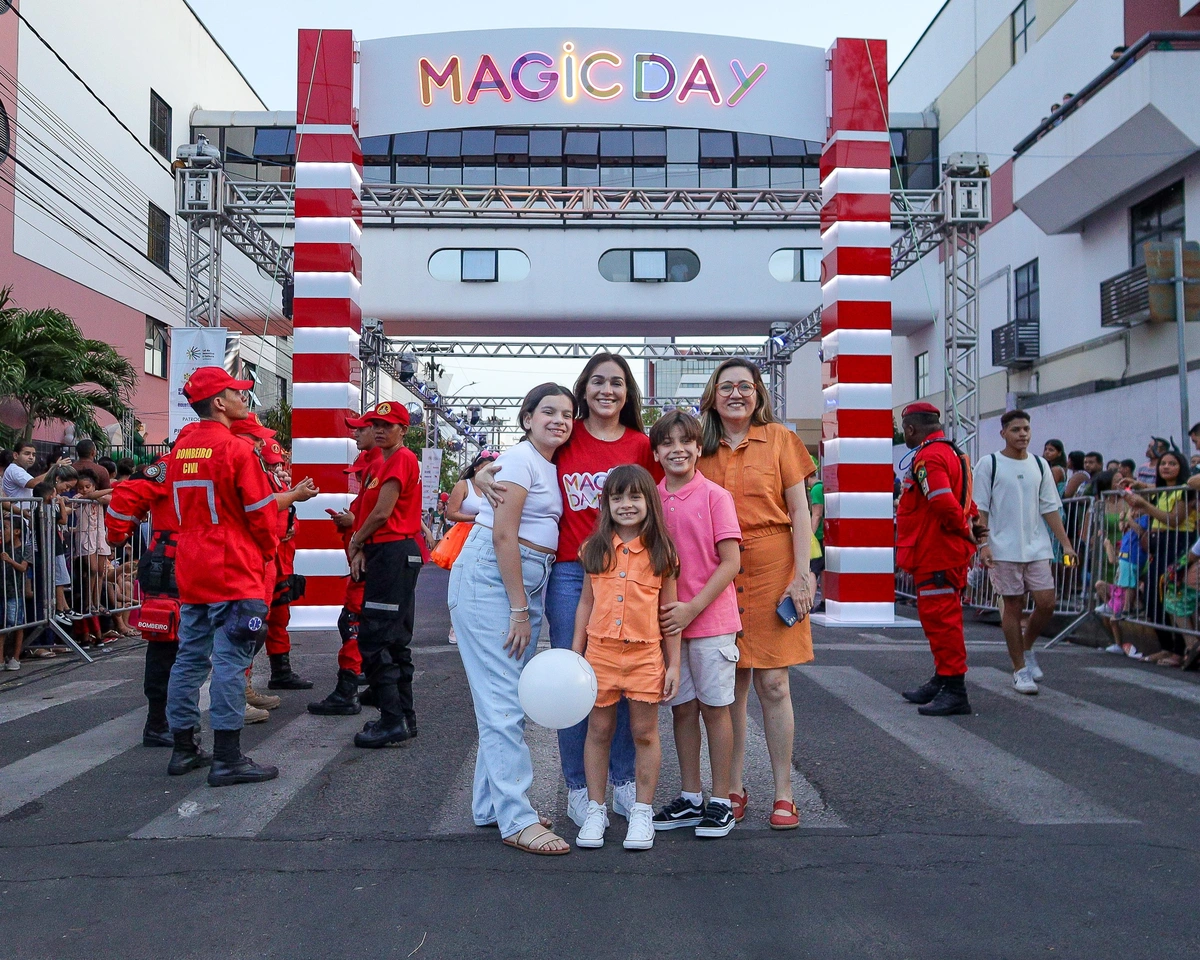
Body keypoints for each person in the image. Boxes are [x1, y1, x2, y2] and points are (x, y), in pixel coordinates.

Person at [474, 353, 660, 829]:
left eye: (617, 383)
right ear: (583, 389)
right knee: (577, 678)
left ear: (628, 392)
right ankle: (578, 786)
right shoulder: (567, 432)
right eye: (597, 382)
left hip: (631, 576)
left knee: (622, 680)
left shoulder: (641, 444)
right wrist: (478, 471)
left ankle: (619, 781)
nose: (607, 391)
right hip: (571, 575)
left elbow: (668, 493)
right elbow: (514, 458)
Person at [448, 383, 575, 855]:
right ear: (526, 418)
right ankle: (516, 818)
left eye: (566, 413)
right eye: (548, 412)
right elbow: (504, 534)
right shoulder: (522, 459)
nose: (558, 420)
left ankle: (492, 805)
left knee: (503, 699)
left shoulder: (541, 461)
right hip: (494, 582)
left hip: (519, 580)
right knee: (504, 702)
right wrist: (520, 607)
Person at [696, 359, 815, 830]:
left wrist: (802, 575)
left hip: (773, 566)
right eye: (726, 387)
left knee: (774, 683)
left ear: (759, 393)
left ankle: (784, 792)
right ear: (713, 394)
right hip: (718, 570)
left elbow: (800, 510)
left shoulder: (781, 439)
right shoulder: (698, 444)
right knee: (731, 688)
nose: (737, 394)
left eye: (746, 386)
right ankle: (732, 786)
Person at [164, 366, 281, 787]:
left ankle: (183, 748)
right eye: (237, 392)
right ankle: (228, 758)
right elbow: (261, 513)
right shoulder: (235, 449)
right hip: (233, 568)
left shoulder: (179, 449)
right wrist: (268, 553)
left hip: (192, 567)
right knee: (231, 662)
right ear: (219, 402)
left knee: (189, 659)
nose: (243, 398)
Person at [572, 465, 681, 851]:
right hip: (599, 654)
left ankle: (642, 812)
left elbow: (670, 613)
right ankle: (596, 810)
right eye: (617, 497)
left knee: (644, 733)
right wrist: (575, 654)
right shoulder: (594, 548)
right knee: (598, 732)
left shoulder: (662, 552)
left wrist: (674, 664)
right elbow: (586, 601)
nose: (626, 504)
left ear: (649, 501)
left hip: (646, 656)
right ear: (606, 504)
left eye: (635, 496)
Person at [647, 412, 742, 839]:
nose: (677, 449)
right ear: (656, 453)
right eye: (667, 443)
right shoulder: (652, 498)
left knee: (715, 709)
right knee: (681, 709)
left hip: (712, 621)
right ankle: (690, 795)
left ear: (698, 447)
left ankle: (721, 799)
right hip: (668, 625)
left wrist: (692, 608)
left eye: (685, 441)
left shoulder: (715, 496)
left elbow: (731, 562)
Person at [975, 410, 1077, 695]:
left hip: (1037, 547)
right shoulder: (989, 464)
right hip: (1002, 548)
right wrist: (982, 544)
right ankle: (1019, 669)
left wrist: (1065, 544)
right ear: (1003, 433)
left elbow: (1050, 508)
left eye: (1027, 429)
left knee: (1047, 602)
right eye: (1016, 429)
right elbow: (980, 508)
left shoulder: (1041, 465)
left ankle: (1028, 647)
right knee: (1013, 605)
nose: (1023, 434)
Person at [346, 401, 424, 748]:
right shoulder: (384, 462)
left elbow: (381, 512)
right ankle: (403, 717)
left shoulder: (401, 459)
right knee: (391, 640)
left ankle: (393, 719)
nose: (379, 430)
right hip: (386, 552)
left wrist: (355, 540)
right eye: (375, 424)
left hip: (393, 553)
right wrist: (363, 546)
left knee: (376, 638)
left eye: (387, 425)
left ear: (403, 430)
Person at [896, 402, 980, 716]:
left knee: (943, 623)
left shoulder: (929, 456)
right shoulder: (952, 452)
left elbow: (943, 502)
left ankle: (955, 690)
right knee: (939, 621)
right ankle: (944, 679)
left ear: (911, 429)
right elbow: (964, 500)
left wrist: (964, 531)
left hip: (938, 552)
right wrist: (970, 528)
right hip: (942, 552)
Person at [105, 458, 183, 746]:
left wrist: (120, 532)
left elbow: (126, 497)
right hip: (173, 559)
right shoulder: (176, 462)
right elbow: (126, 495)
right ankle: (160, 722)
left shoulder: (173, 461)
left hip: (182, 556)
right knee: (166, 639)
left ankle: (167, 721)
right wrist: (119, 532)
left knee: (178, 642)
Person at [309, 417, 380, 716]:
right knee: (372, 627)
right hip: (371, 561)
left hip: (370, 563)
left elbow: (382, 517)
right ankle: (377, 687)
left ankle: (347, 691)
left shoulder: (380, 468)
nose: (356, 434)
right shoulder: (377, 470)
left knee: (354, 623)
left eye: (362, 429)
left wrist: (355, 526)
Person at [1122, 450, 1196, 666]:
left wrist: (1145, 506)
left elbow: (1174, 519)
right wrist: (1138, 488)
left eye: (1172, 463)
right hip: (1157, 546)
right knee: (1153, 596)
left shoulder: (1184, 491)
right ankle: (1165, 648)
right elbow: (1151, 494)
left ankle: (1179, 650)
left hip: (1177, 544)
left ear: (1181, 467)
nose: (1166, 467)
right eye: (1163, 463)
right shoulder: (1162, 490)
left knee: (1167, 593)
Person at [442, 451, 497, 645]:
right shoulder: (463, 485)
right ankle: (455, 627)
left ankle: (479, 628)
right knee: (461, 583)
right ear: (476, 467)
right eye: (485, 466)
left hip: (489, 535)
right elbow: (451, 513)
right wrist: (475, 518)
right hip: (463, 536)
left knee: (485, 584)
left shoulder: (495, 486)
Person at [1, 508, 30, 670]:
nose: (2, 531)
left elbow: (23, 568)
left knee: (17, 624)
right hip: (3, 591)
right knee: (3, 626)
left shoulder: (24, 549)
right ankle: (1, 658)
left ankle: (15, 657)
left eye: (5, 528)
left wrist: (10, 561)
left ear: (17, 531)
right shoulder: (2, 548)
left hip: (15, 592)